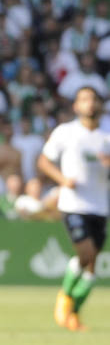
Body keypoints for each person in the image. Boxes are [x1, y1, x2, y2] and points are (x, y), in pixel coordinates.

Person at [36, 85, 110, 331]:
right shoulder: (66, 132)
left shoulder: (107, 133)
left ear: (100, 104)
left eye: (93, 99)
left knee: (91, 267)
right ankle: (65, 297)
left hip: (100, 207)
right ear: (76, 106)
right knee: (86, 254)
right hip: (73, 204)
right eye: (84, 99)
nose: (89, 104)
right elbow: (44, 161)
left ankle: (74, 314)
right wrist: (62, 179)